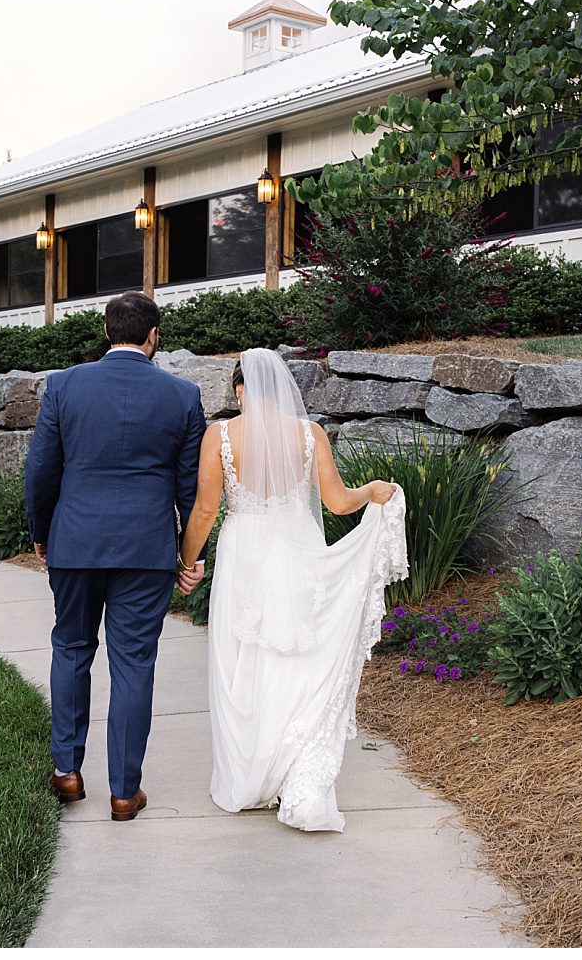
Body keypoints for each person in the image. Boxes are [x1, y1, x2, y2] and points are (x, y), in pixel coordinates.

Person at [176, 348, 406, 832]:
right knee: (295, 658)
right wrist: (370, 493)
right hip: (300, 549)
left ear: (240, 390)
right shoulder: (310, 434)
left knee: (239, 659)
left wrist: (186, 561)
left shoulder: (220, 437)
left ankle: (248, 778)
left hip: (246, 555)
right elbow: (338, 502)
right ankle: (291, 769)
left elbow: (203, 512)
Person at [23, 291, 206, 821]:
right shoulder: (182, 394)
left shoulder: (63, 386)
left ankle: (67, 770)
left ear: (108, 332)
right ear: (154, 336)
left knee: (72, 646)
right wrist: (188, 557)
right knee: (134, 663)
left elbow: (40, 470)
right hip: (147, 551)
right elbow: (189, 488)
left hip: (75, 541)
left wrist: (42, 532)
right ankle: (125, 791)